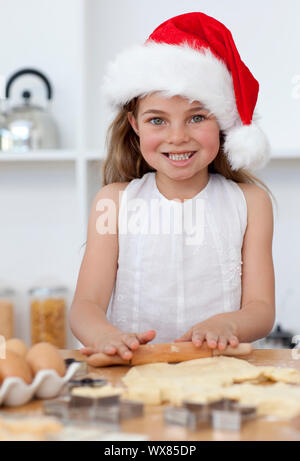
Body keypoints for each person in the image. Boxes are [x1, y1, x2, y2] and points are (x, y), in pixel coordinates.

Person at [69, 12, 275, 361]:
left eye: (197, 117)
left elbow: (261, 308)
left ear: (223, 120)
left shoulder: (251, 203)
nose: (178, 137)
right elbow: (85, 305)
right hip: (134, 373)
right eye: (157, 120)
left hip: (218, 375)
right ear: (135, 124)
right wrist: (104, 335)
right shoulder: (113, 203)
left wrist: (228, 324)